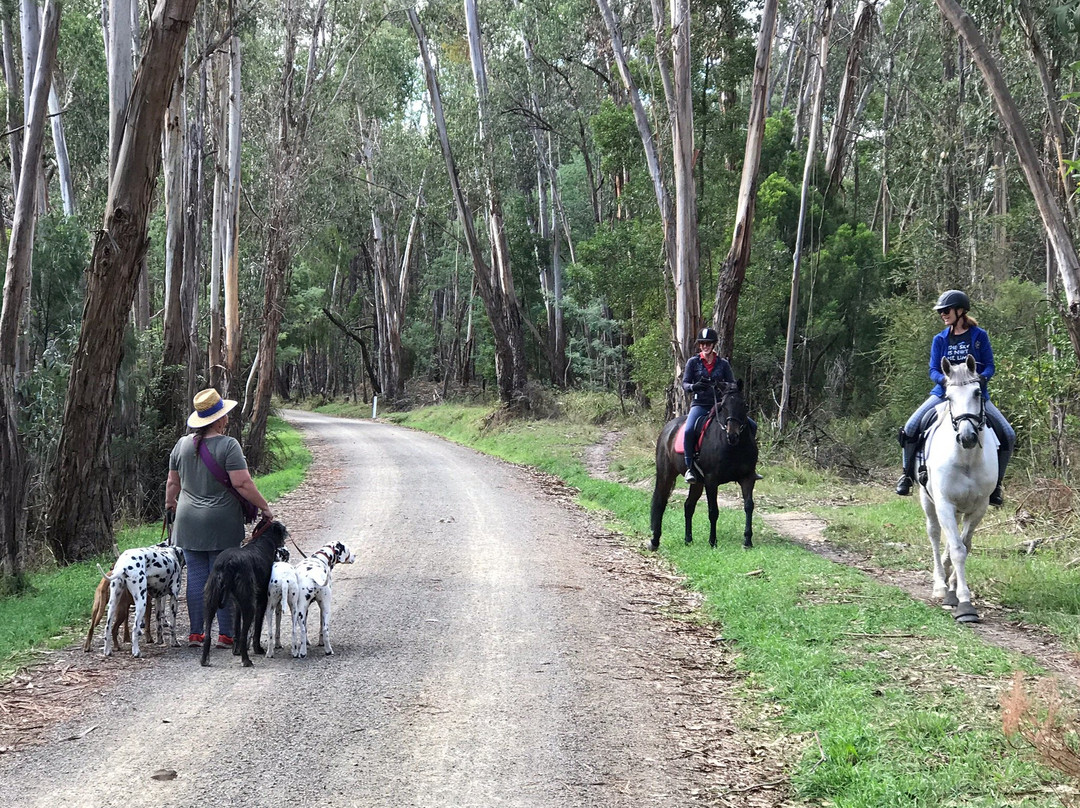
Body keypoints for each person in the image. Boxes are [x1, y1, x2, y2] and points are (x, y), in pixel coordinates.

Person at [165, 388, 274, 648]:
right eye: (225, 416)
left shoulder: (181, 445)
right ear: (219, 419)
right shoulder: (228, 445)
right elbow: (243, 484)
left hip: (188, 520)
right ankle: (226, 634)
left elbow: (172, 482)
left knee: (197, 577)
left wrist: (171, 506)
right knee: (226, 576)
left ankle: (196, 633)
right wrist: (265, 508)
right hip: (222, 522)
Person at [895, 290, 1015, 505]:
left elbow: (990, 366)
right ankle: (907, 475)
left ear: (960, 311)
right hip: (944, 395)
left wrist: (979, 379)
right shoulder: (940, 339)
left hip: (974, 396)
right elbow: (933, 369)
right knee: (910, 427)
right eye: (940, 311)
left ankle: (996, 486)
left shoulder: (979, 336)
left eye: (946, 310)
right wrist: (945, 382)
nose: (942, 314)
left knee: (1008, 434)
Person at [681, 328, 735, 483]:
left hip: (719, 404)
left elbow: (732, 383)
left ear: (713, 345)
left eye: (708, 343)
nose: (705, 346)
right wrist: (694, 387)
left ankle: (747, 466)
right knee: (689, 429)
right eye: (703, 343)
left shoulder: (723, 364)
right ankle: (690, 467)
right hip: (700, 404)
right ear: (700, 346)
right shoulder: (693, 362)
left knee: (750, 425)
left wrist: (721, 385)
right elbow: (684, 383)